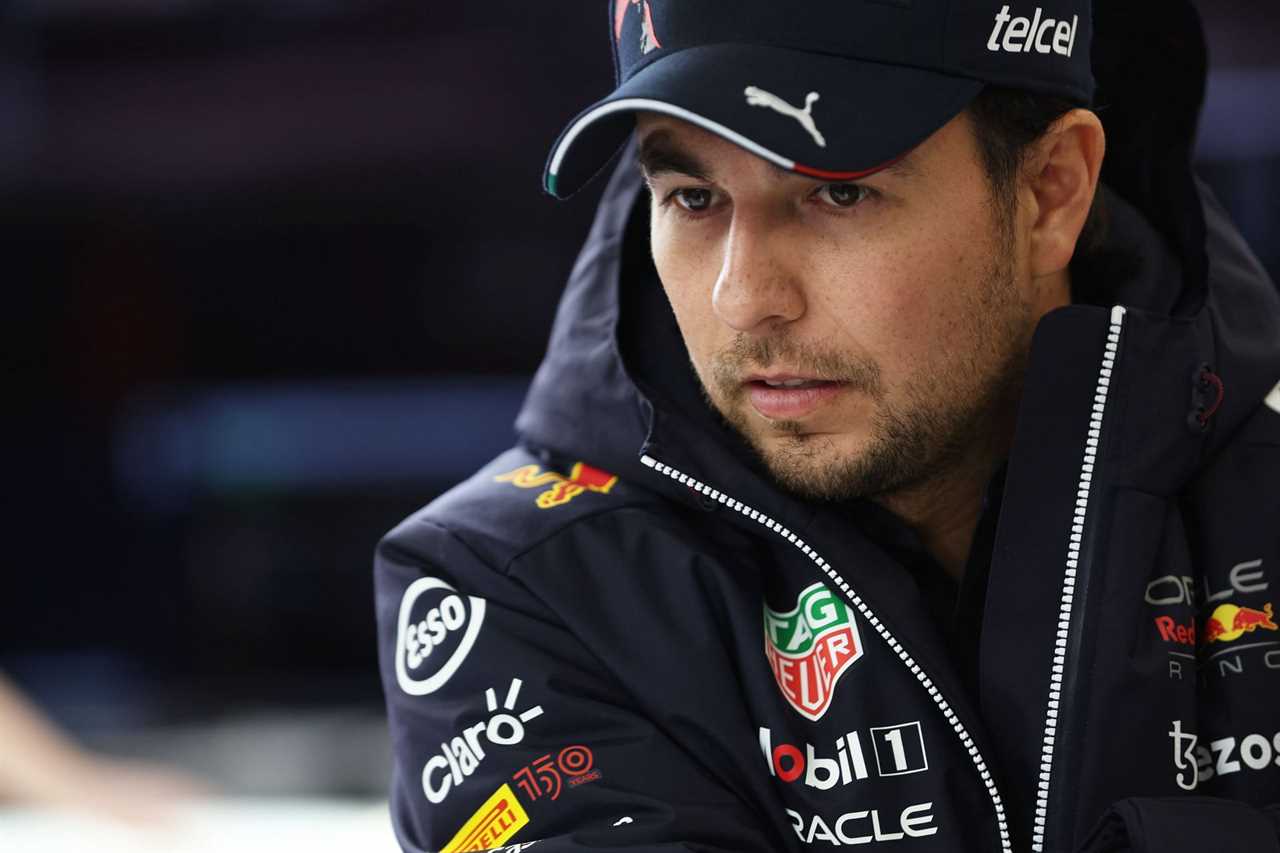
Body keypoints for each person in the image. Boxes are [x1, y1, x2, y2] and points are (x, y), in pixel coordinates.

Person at [374, 2, 1280, 851]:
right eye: (692, 197)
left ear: (1051, 191)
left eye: (835, 194)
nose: (744, 300)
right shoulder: (516, 584)